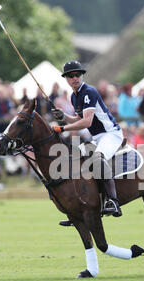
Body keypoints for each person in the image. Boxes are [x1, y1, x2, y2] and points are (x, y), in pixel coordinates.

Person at [51, 60, 123, 223]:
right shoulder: (74, 96)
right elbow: (78, 118)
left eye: (78, 74)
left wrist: (62, 129)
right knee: (75, 159)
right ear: (66, 79)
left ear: (81, 76)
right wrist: (64, 117)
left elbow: (87, 122)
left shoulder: (89, 91)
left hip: (111, 134)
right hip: (97, 137)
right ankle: (78, 207)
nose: (75, 78)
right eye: (71, 76)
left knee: (97, 158)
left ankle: (113, 201)